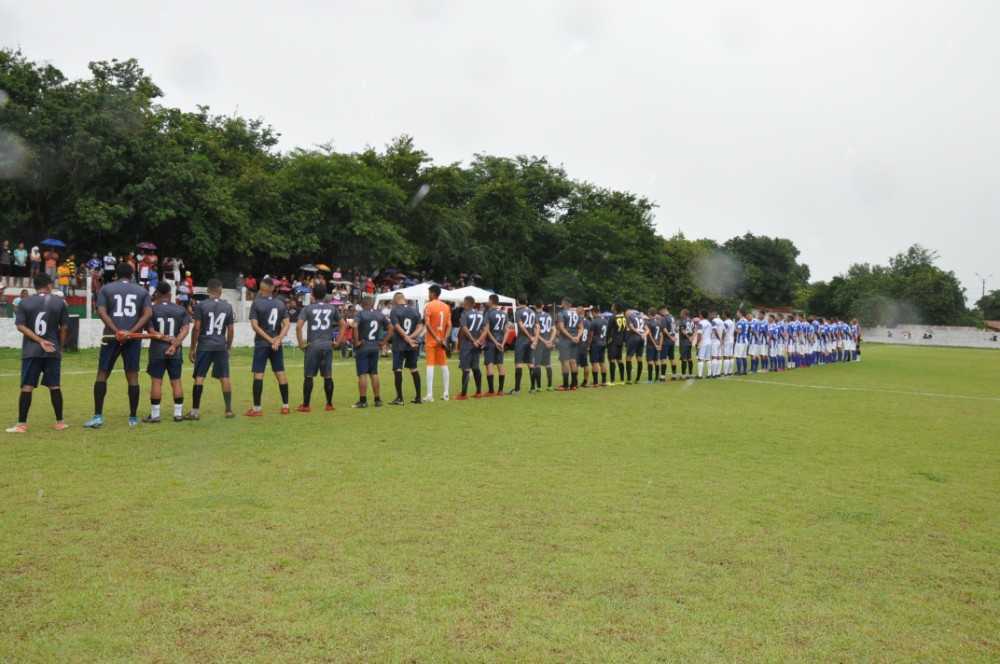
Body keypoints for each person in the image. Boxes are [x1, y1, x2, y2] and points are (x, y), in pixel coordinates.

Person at [83, 263, 153, 428]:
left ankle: (98, 416)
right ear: (132, 275)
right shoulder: (142, 291)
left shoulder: (106, 289)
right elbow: (148, 314)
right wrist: (130, 332)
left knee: (102, 374)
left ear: (115, 274)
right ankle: (133, 418)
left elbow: (101, 312)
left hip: (110, 335)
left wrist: (117, 331)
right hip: (133, 337)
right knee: (132, 376)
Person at [6, 273, 70, 433]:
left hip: (31, 351)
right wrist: (59, 347)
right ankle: (60, 422)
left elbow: (20, 325)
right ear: (49, 285)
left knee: (27, 387)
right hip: (52, 350)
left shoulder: (25, 302)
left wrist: (38, 340)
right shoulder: (59, 302)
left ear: (35, 286)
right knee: (54, 386)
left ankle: (21, 424)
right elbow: (65, 328)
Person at [185, 279, 235, 420]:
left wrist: (192, 348)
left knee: (200, 376)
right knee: (224, 377)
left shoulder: (202, 306)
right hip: (220, 345)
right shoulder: (228, 307)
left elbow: (196, 328)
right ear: (221, 291)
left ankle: (194, 412)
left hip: (205, 345)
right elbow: (230, 330)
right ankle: (228, 410)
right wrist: (228, 347)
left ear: (208, 291)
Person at [142, 282, 189, 423]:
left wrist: (166, 339)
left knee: (156, 382)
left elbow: (151, 332)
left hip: (157, 350)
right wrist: (174, 344)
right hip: (176, 352)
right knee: (176, 382)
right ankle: (178, 414)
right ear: (170, 294)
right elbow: (185, 329)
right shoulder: (181, 309)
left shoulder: (151, 309)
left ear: (156, 294)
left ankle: (155, 415)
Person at [295, 283, 344, 412]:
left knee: (309, 375)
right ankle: (329, 404)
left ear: (312, 295)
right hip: (327, 345)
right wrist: (337, 341)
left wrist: (301, 344)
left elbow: (298, 326)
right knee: (328, 375)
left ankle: (306, 405)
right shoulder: (332, 308)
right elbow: (343, 324)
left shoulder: (307, 309)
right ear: (325, 295)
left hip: (313, 346)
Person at [246, 277, 292, 416]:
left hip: (262, 344)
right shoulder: (280, 304)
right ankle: (285, 406)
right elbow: (287, 324)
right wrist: (278, 339)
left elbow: (255, 326)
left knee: (258, 374)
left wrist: (270, 340)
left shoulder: (257, 303)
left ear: (262, 288)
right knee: (280, 373)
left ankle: (257, 409)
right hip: (276, 345)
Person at [352, 295, 391, 408]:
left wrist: (357, 342)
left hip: (363, 346)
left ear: (363, 305)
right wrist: (383, 342)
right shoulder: (379, 314)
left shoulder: (360, 314)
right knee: (374, 373)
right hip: (375, 346)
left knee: (362, 374)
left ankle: (363, 401)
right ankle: (377, 400)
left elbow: (354, 326)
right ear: (372, 304)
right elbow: (391, 327)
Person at [388, 292, 424, 405]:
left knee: (398, 369)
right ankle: (418, 397)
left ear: (395, 301)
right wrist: (411, 337)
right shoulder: (414, 310)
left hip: (399, 343)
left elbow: (397, 326)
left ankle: (400, 398)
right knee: (414, 369)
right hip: (412, 344)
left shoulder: (394, 310)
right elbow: (421, 327)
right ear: (405, 299)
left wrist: (406, 337)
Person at [422, 284, 452, 402]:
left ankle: (430, 395)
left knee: (430, 365)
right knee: (444, 365)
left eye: (429, 293)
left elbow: (428, 324)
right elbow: (449, 325)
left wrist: (436, 337)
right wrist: (444, 338)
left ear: (433, 293)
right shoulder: (446, 307)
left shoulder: (428, 305)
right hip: (441, 340)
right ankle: (446, 393)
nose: (428, 295)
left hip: (431, 339)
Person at [454, 296, 486, 400]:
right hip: (476, 346)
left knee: (466, 368)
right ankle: (479, 392)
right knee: (476, 367)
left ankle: (463, 394)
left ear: (466, 303)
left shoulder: (464, 314)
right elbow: (486, 329)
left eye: (463, 302)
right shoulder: (479, 314)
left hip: (467, 345)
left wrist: (472, 340)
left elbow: (464, 328)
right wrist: (479, 340)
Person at [510, 294, 537, 395]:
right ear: (526, 301)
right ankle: (533, 388)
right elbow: (537, 326)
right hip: (530, 341)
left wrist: (530, 337)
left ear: (517, 301)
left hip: (522, 341)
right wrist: (534, 339)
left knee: (518, 364)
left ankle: (517, 389)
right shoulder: (532, 312)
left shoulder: (518, 312)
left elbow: (521, 326)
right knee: (530, 363)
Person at [482, 294, 510, 396]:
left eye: (488, 300)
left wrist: (495, 342)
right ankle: (501, 390)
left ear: (491, 301)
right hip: (500, 342)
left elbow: (487, 330)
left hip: (491, 342)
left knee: (489, 364)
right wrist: (502, 343)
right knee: (500, 364)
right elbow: (507, 330)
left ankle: (491, 391)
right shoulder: (504, 313)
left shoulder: (488, 313)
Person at [555, 297, 582, 391]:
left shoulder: (561, 313)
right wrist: (577, 337)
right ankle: (574, 384)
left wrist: (571, 337)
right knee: (573, 361)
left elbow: (562, 328)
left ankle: (565, 385)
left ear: (563, 304)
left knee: (565, 362)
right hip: (574, 339)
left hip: (566, 340)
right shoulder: (576, 313)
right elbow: (581, 328)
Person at [533, 302, 555, 392]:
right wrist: (550, 340)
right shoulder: (549, 316)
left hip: (540, 342)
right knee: (547, 364)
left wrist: (545, 341)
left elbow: (535, 332)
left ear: (534, 306)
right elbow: (554, 330)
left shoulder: (534, 316)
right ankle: (550, 386)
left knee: (537, 364)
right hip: (548, 342)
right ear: (542, 306)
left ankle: (539, 386)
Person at [624, 307, 646, 384]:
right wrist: (643, 334)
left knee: (628, 358)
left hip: (634, 338)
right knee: (639, 358)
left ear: (627, 314)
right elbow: (647, 329)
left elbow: (631, 327)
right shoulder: (640, 317)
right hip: (641, 339)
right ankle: (637, 379)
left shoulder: (629, 317)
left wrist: (639, 334)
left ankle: (629, 379)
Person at [607, 302, 627, 385]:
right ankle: (622, 380)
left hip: (613, 340)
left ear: (615, 308)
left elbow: (609, 330)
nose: (611, 307)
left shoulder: (612, 317)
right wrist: (624, 340)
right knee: (619, 359)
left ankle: (612, 381)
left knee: (611, 359)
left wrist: (607, 340)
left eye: (612, 306)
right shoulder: (624, 316)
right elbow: (625, 329)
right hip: (620, 340)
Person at [588, 308, 609, 386]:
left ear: (594, 312)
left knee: (594, 363)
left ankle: (595, 382)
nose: (592, 315)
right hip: (603, 342)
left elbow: (591, 334)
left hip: (595, 344)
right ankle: (604, 382)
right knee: (602, 362)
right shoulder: (606, 320)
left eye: (592, 313)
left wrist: (588, 345)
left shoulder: (594, 321)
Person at [575, 305, 591, 387]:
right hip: (585, 345)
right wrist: (588, 344)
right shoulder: (588, 322)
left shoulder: (577, 321)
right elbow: (590, 335)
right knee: (586, 364)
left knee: (575, 364)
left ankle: (576, 382)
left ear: (579, 312)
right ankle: (585, 381)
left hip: (577, 345)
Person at [644, 309, 662, 384]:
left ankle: (650, 379)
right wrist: (660, 345)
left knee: (650, 361)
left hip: (651, 344)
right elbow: (661, 335)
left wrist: (654, 344)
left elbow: (650, 335)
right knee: (656, 361)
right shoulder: (658, 323)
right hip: (657, 343)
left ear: (649, 313)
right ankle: (657, 378)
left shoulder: (648, 323)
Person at [696, 311, 713, 379]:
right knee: (708, 358)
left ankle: (700, 375)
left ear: (701, 315)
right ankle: (709, 374)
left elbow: (699, 334)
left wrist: (697, 343)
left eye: (700, 314)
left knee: (700, 358)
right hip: (709, 341)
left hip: (703, 342)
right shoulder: (709, 323)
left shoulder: (701, 323)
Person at [678, 309, 695, 379]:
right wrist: (692, 337)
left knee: (684, 358)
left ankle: (683, 375)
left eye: (681, 312)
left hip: (684, 342)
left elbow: (683, 331)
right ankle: (690, 374)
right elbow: (695, 330)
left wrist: (688, 337)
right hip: (689, 342)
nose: (680, 314)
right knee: (689, 358)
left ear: (684, 313)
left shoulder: (682, 321)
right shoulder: (692, 321)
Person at [722, 311, 736, 377]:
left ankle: (725, 372)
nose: (722, 315)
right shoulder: (732, 322)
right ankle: (730, 372)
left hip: (727, 340)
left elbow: (724, 332)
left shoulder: (726, 322)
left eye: (723, 314)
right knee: (730, 356)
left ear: (725, 315)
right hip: (731, 340)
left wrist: (722, 339)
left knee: (726, 356)